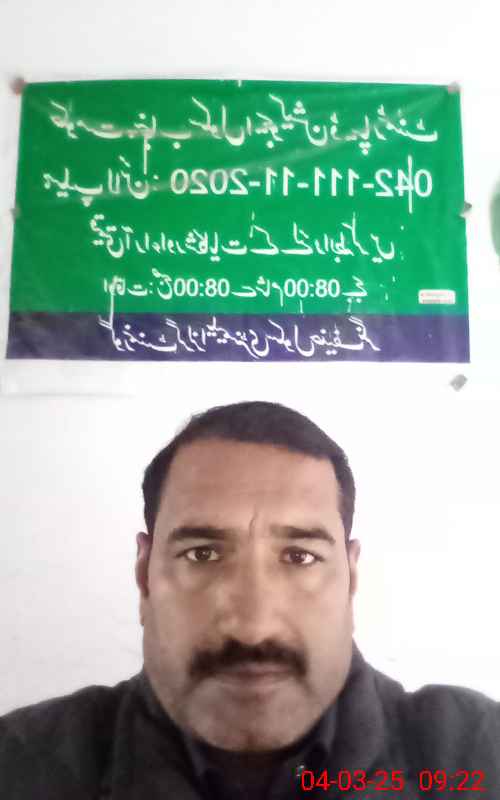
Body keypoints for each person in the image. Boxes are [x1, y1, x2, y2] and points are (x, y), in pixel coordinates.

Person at [1, 401, 498, 800]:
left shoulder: (473, 754)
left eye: (300, 557)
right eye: (202, 553)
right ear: (143, 576)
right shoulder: (21, 763)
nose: (254, 626)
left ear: (351, 578)